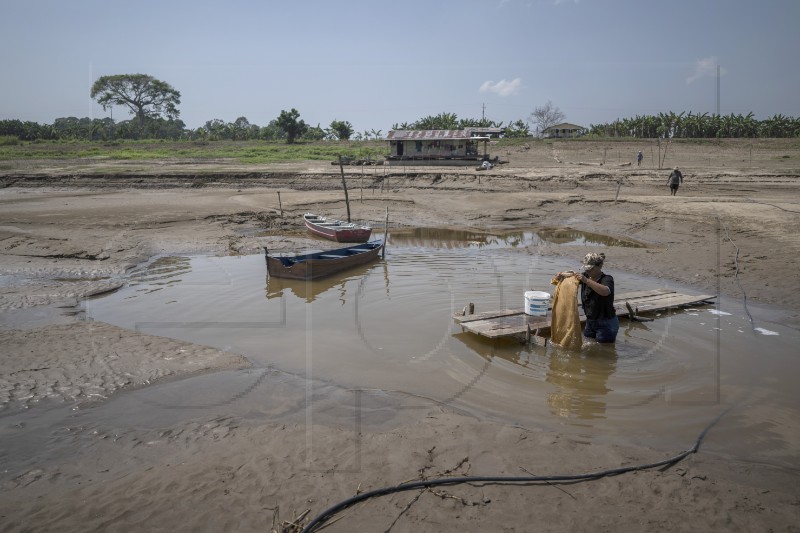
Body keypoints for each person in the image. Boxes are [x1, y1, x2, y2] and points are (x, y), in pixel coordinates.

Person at [574, 252, 619, 343]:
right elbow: (571, 280)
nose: (587, 271)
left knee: (604, 351)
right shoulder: (586, 276)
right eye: (586, 269)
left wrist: (586, 281)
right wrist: (562, 276)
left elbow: (605, 291)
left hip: (606, 324)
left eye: (590, 269)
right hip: (590, 321)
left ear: (600, 266)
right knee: (589, 346)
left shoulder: (607, 279)